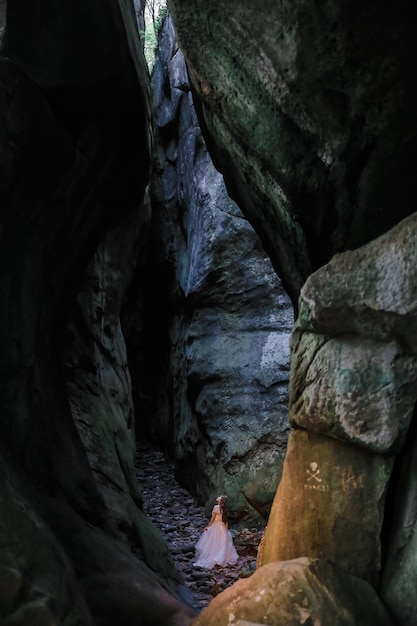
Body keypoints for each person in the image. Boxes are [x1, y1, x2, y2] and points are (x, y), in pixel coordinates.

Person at [194, 495, 239, 568]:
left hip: (216, 525)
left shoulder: (216, 507)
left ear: (220, 500)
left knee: (214, 542)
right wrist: (226, 529)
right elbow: (226, 520)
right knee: (222, 542)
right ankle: (222, 557)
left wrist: (208, 526)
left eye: (219, 497)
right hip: (222, 526)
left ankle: (213, 556)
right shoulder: (224, 509)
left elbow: (213, 518)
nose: (218, 497)